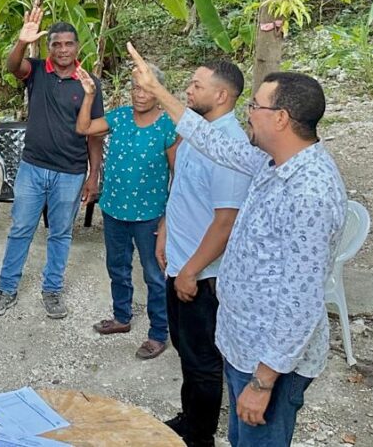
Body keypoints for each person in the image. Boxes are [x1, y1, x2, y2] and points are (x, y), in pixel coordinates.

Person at [127, 43, 346, 447]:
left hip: (268, 358)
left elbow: (301, 300)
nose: (248, 112)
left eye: (256, 106)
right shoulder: (271, 163)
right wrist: (157, 91)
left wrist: (263, 383)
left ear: (280, 118)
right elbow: (212, 142)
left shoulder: (309, 193)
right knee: (241, 437)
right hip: (244, 342)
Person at [0, 7, 104, 320]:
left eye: (68, 44)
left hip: (71, 172)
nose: (62, 50)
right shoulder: (37, 71)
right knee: (21, 229)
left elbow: (94, 135)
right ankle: (6, 289)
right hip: (33, 167)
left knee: (61, 233)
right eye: (56, 44)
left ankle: (52, 290)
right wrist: (22, 42)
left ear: (77, 47)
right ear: (48, 47)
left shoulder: (90, 83)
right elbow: (13, 66)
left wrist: (93, 175)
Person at [157, 60, 251, 447]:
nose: (189, 90)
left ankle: (201, 437)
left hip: (203, 274)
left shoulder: (230, 147)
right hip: (179, 263)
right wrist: (165, 232)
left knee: (204, 362)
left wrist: (191, 271)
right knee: (185, 350)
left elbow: (225, 223)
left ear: (222, 95)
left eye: (197, 85)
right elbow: (181, 188)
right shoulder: (196, 134)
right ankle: (189, 418)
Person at [73, 64, 178, 360]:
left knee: (154, 274)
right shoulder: (119, 117)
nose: (140, 95)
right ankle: (122, 317)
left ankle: (158, 333)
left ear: (158, 92)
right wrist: (89, 95)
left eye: (147, 89)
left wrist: (168, 218)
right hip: (114, 209)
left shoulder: (168, 126)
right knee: (117, 266)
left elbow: (178, 174)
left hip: (150, 215)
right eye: (135, 88)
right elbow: (83, 128)